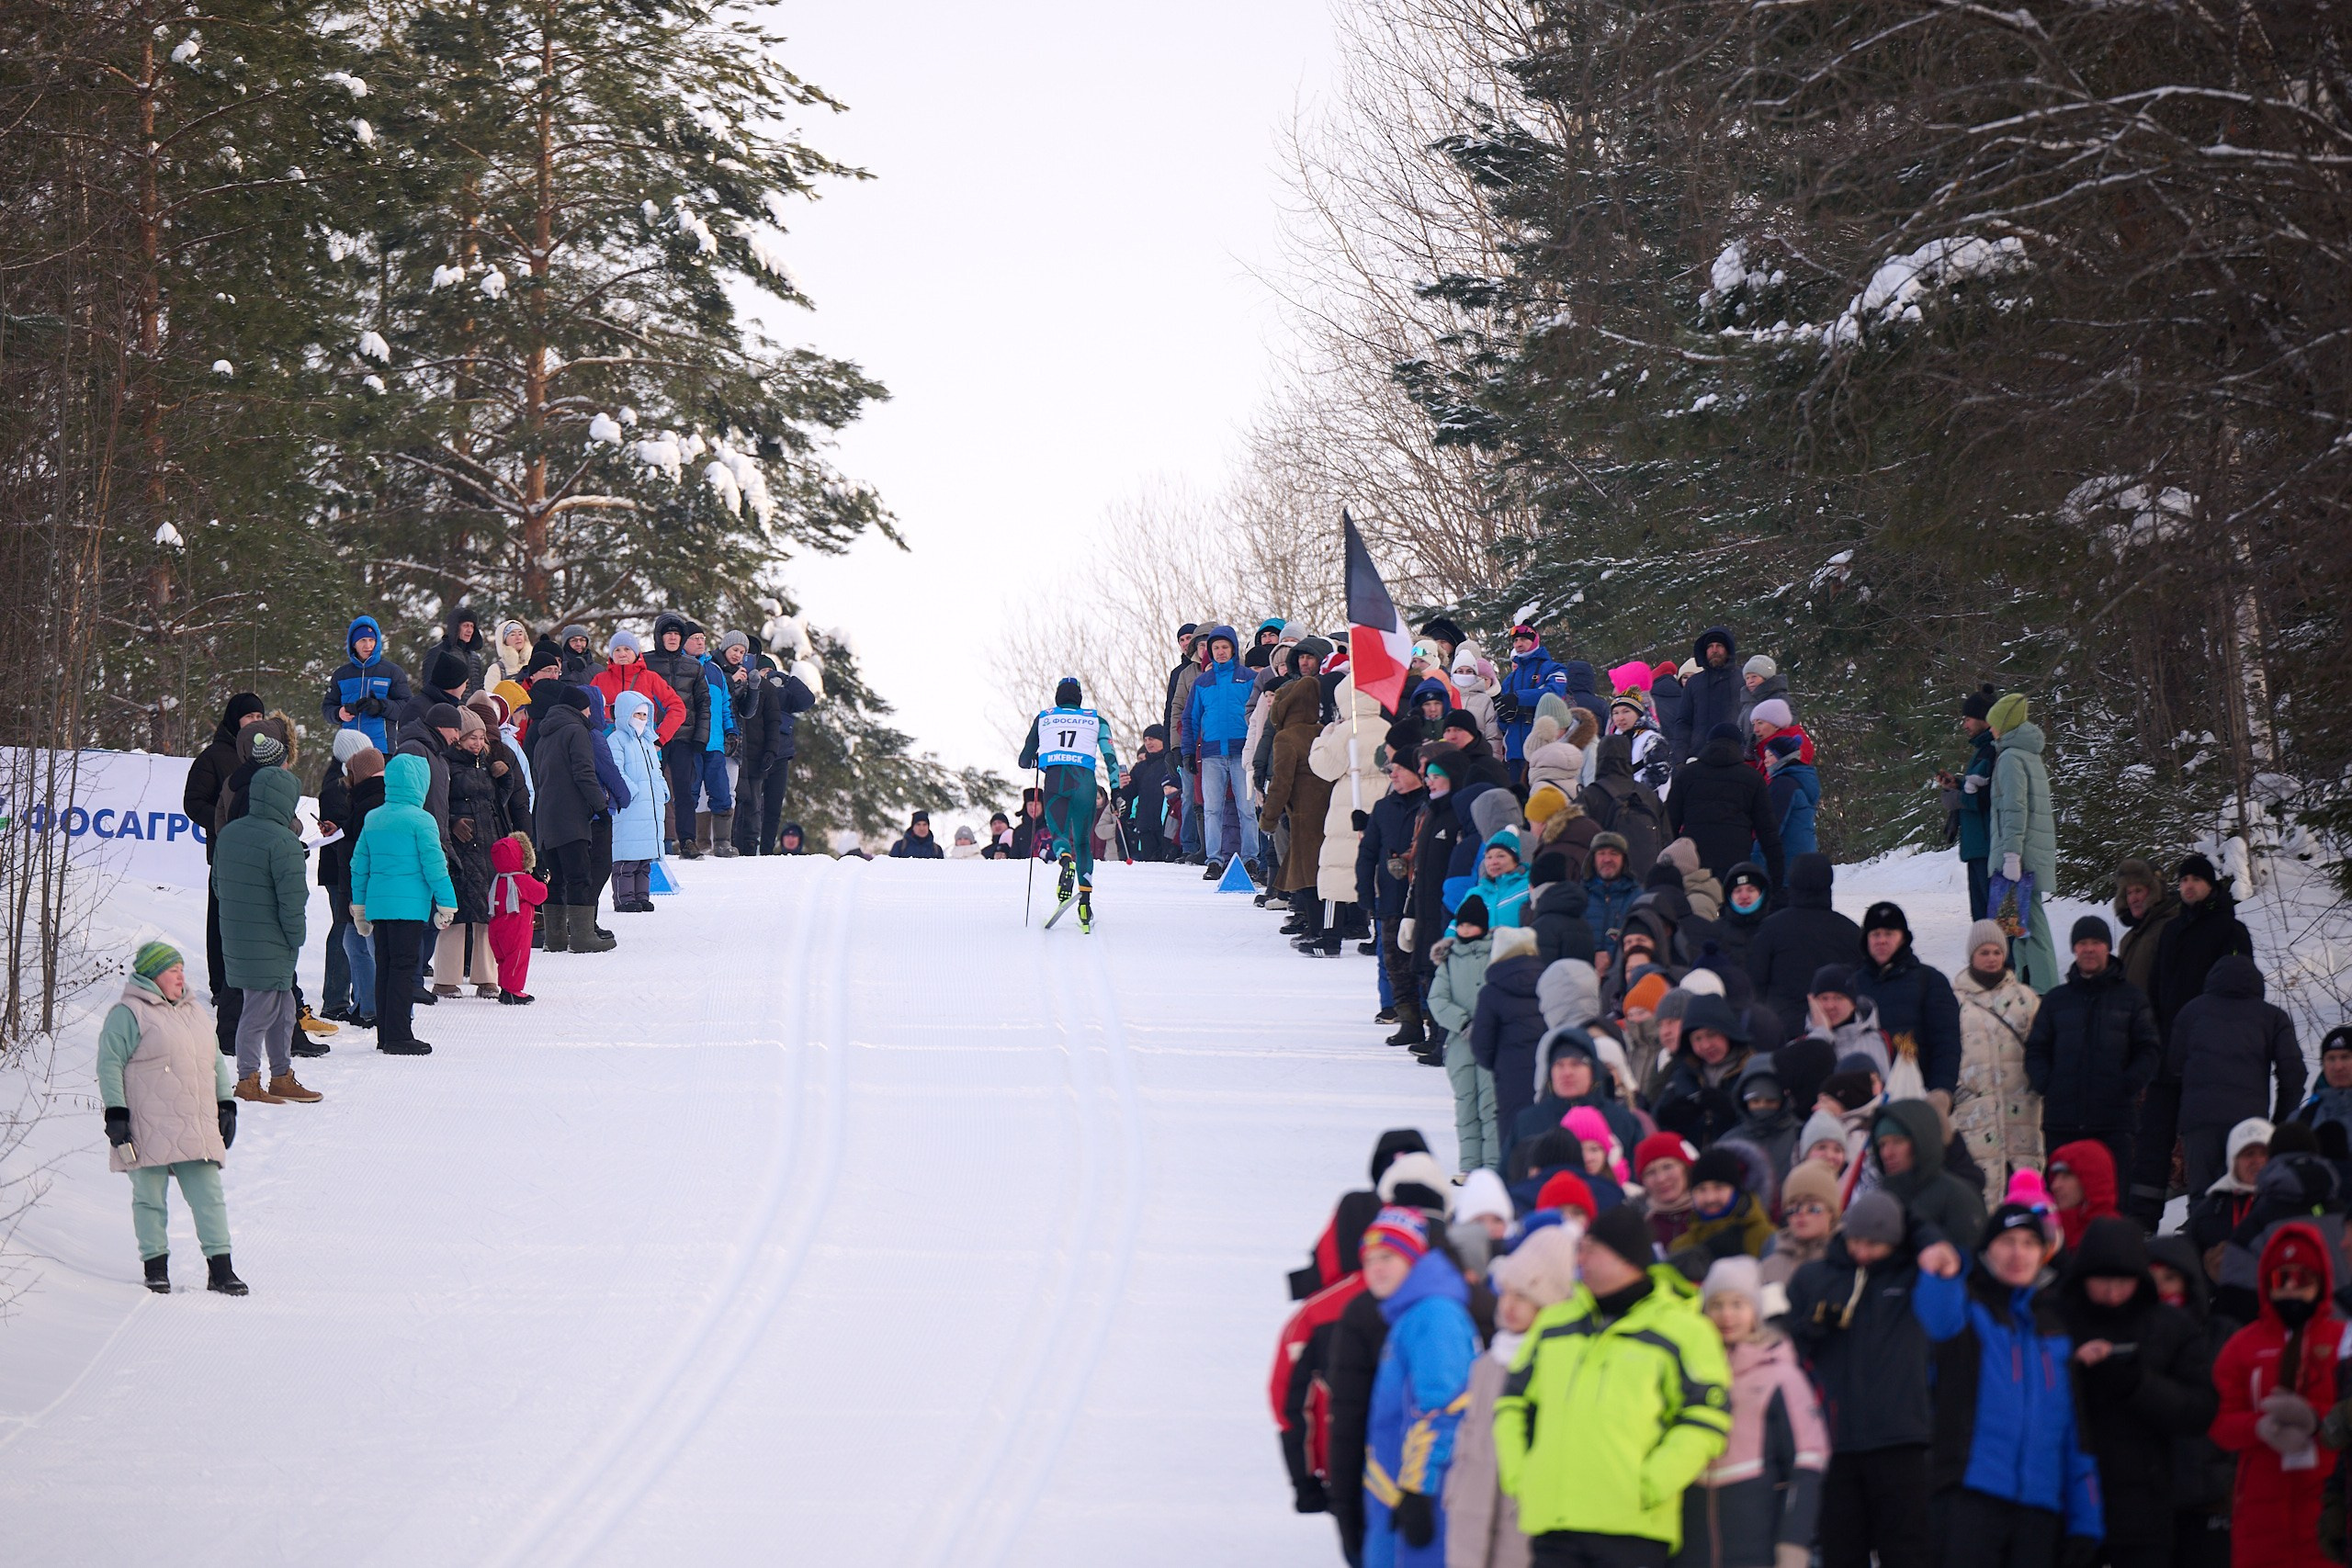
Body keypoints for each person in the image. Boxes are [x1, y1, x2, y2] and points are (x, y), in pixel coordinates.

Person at [1495, 1201, 1733, 1566]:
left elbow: (1706, 1417)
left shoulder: (1684, 1330)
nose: (1580, 1259)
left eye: (1591, 1249)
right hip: (1555, 1527)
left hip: (1632, 1530)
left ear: (1626, 1259)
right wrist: (1519, 1476)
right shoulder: (1555, 1322)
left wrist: (1650, 1483)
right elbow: (1512, 1404)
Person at [1915, 1202, 2104, 1564]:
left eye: (2030, 1243)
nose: (2019, 1253)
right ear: (1987, 1250)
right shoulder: (1967, 1311)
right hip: (1969, 1497)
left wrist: (2085, 1522)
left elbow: (2074, 1435)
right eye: (2007, 1241)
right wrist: (1947, 1269)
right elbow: (1935, 1317)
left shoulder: (2055, 1331)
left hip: (2039, 1510)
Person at [1784, 1191, 1962, 1568]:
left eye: (1874, 1244)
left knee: (1908, 1552)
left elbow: (1946, 1322)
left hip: (1901, 1440)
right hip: (1834, 1443)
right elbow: (1783, 1349)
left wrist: (1929, 1241)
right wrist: (1810, 1330)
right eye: (1856, 1241)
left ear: (1895, 1242)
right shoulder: (1814, 1276)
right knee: (1840, 1553)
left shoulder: (1912, 1275)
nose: (1862, 1252)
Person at [2052, 1216, 2219, 1568]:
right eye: (2102, 1281)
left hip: (2145, 1506)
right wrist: (2072, 1371)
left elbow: (2199, 1410)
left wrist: (2136, 1383)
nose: (2112, 1294)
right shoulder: (2054, 1320)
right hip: (2065, 1501)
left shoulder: (2171, 1326)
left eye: (2122, 1282)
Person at [98, 942, 247, 1296]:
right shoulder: (128, 1013)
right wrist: (116, 1113)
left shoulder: (194, 1011)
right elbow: (109, 1064)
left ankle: (221, 1270)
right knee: (149, 1198)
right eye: (172, 971)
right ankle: (155, 1269)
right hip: (146, 1123)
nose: (181, 977)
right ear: (152, 976)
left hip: (194, 1121)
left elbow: (214, 1060)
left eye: (181, 969)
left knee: (209, 1196)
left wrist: (225, 1104)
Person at [1676, 1256, 1826, 1568]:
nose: (1726, 1315)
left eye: (1738, 1304)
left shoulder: (1781, 1376)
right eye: (1716, 1305)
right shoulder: (1690, 1372)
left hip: (1757, 1541)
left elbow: (1807, 1461)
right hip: (1691, 1545)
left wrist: (1793, 1546)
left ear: (1755, 1311)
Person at [2132, 854, 2258, 1224]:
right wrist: (2153, 1035)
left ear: (2210, 885)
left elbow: (2244, 991)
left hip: (2212, 1055)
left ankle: (2209, 1220)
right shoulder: (2172, 930)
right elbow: (2155, 987)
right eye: (2184, 879)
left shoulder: (2230, 931)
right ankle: (2141, 1221)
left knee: (2205, 1140)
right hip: (2168, 1050)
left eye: (2196, 880)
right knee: (2154, 1137)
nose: (2188, 886)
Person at [2210, 1223, 2343, 1568]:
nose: (2291, 1289)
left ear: (2321, 1281)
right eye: (2281, 1278)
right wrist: (2258, 1427)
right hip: (2260, 1511)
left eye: (2302, 1279)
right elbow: (2218, 1419)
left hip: (2329, 1506)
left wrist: (2316, 1419)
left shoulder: (2342, 1340)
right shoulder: (2243, 1346)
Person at [1447, 1224, 1578, 1568]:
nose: (1508, 1305)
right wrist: (1455, 1490)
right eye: (1505, 1292)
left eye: (1523, 1296)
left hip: (1521, 1520)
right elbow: (1468, 1433)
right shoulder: (1488, 1362)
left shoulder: (1560, 1363)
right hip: (1471, 1513)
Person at [1358, 1207, 1479, 1568]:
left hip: (1424, 1500)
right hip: (1395, 1497)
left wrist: (1418, 1490)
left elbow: (1444, 1408)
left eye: (1388, 1257)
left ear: (1413, 1259)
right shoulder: (1412, 1314)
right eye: (1369, 1260)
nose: (1376, 1269)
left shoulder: (1434, 1316)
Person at [2025, 914, 2163, 1185]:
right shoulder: (2055, 1000)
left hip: (2113, 1123)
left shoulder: (2132, 998)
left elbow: (2149, 1049)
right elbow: (2036, 1049)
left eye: (2096, 942)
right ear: (2074, 949)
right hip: (2062, 1123)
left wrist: (2126, 1085)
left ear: (2107, 947)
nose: (2089, 949)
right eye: (2082, 943)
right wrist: (2048, 1084)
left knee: (2112, 1199)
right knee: (2063, 1199)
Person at [211, 767, 321, 1105]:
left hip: (238, 935)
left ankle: (281, 1076)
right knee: (258, 1012)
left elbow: (218, 885)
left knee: (285, 1009)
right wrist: (296, 935)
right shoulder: (283, 841)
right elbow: (293, 899)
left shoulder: (230, 833)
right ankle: (247, 1079)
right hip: (272, 939)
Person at [350, 752, 458, 1055]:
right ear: (420, 784)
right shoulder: (422, 820)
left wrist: (360, 907)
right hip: (409, 908)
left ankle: (385, 1033)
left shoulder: (374, 818)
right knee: (403, 968)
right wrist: (447, 903)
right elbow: (435, 866)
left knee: (385, 967)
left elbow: (359, 866)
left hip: (379, 906)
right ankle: (399, 1036)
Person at [2174, 955, 2302, 1201]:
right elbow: (2294, 1073)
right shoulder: (2272, 1017)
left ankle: (2203, 1225)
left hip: (2199, 1123)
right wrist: (2279, 1123)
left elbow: (2173, 1066)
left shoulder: (2191, 1012)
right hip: (2249, 1122)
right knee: (2250, 1193)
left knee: (2203, 1197)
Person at [1951, 919, 2042, 1208]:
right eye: (1984, 952)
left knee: (2024, 1191)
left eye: (1997, 952)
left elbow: (2041, 1048)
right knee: (1979, 1190)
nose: (1991, 958)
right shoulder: (1955, 1003)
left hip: (2022, 1110)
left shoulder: (2025, 999)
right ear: (1972, 955)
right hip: (1975, 1111)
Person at [1018, 676, 1119, 930]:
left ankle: (1065, 860)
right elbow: (1110, 757)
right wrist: (1117, 791)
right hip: (1084, 783)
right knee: (1083, 842)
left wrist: (1040, 760)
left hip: (1055, 781)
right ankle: (1085, 902)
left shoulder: (1045, 717)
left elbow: (1024, 761)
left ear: (1057, 697)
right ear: (1079, 698)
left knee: (1059, 833)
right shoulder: (1096, 719)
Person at [1849, 902, 1962, 1106]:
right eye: (1875, 934)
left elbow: (1946, 1044)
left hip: (1916, 1098)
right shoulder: (1852, 985)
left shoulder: (1931, 981)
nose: (1881, 940)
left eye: (1889, 934)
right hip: (1863, 1100)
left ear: (1903, 938)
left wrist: (1941, 1092)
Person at [1984, 692, 2060, 992]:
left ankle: (2044, 990)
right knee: (2017, 926)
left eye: (1994, 723)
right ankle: (2026, 985)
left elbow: (2015, 809)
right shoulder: (2028, 754)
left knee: (2031, 927)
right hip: (2028, 853)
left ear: (2005, 724)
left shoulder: (2010, 758)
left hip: (2020, 857)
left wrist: (2011, 856)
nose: (1991, 729)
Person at [529, 685, 613, 952]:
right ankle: (581, 937)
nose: (589, 714)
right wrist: (601, 807)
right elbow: (584, 773)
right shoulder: (577, 731)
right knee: (579, 877)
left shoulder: (544, 736)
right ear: (579, 709)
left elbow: (538, 778)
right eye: (587, 709)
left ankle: (555, 939)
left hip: (545, 818)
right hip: (571, 818)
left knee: (555, 879)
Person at [1746, 853, 1860, 1029]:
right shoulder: (1850, 931)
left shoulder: (1771, 928)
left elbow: (1756, 983)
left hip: (1784, 1029)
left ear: (1792, 881)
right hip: (1839, 1028)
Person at [434, 710, 503, 999]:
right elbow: (438, 804)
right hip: (460, 845)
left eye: (480, 737)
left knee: (486, 912)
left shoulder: (485, 764)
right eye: (471, 737)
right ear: (459, 738)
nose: (477, 743)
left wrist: (505, 778)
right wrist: (452, 823)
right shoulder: (446, 764)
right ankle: (445, 978)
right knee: (457, 911)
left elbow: (499, 805)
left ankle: (487, 977)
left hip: (486, 844)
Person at [1182, 624, 1262, 875]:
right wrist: (1187, 751)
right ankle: (1214, 860)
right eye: (1215, 648)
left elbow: (1260, 715)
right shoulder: (1202, 683)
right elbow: (1190, 719)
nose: (1220, 652)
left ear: (1233, 649)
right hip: (1212, 755)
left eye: (1225, 647)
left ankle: (1251, 859)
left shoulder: (1249, 678)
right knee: (1212, 809)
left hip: (1242, 752)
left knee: (1247, 809)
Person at [1667, 727, 1784, 892]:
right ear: (1739, 745)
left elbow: (1669, 822)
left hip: (1693, 856)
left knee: (1697, 902)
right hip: (1736, 857)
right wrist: (1777, 877)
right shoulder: (1752, 778)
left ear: (1708, 743)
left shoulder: (1687, 774)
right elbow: (1767, 830)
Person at [1430, 896, 1499, 1171]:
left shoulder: (1498, 956)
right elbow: (1438, 1000)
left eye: (1471, 925)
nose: (1465, 930)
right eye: (1461, 925)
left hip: (1493, 1041)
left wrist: (1489, 1023)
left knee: (1491, 1104)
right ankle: (1470, 1165)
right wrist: (1462, 1023)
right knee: (1466, 1104)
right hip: (1461, 1043)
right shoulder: (1449, 960)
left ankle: (1492, 1166)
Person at [1472, 927, 1550, 1162]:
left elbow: (1481, 1044)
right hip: (1549, 1073)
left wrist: (1498, 1064)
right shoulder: (1549, 983)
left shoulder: (1491, 992)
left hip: (1510, 1075)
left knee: (1513, 1142)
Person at [1868, 1099, 1988, 1251]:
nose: (1887, 1153)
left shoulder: (1958, 1197)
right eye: (1882, 1145)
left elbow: (1971, 1258)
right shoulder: (1881, 1197)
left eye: (1898, 1142)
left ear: (1922, 1141)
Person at [605, 691, 670, 913]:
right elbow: (616, 771)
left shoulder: (648, 741)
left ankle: (642, 896)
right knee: (627, 858)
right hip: (630, 807)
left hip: (650, 807)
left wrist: (662, 790)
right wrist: (631, 792)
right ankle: (624, 899)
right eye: (637, 714)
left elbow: (656, 770)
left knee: (644, 860)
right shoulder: (617, 740)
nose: (642, 719)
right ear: (625, 714)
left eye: (645, 715)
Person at [1939, 684, 1998, 919]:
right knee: (1984, 921)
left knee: (1997, 922)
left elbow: (1990, 796)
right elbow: (1978, 788)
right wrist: (1958, 784)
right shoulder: (1982, 750)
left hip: (1989, 848)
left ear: (1984, 718)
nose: (1964, 725)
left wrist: (1959, 799)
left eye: (1968, 719)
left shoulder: (1994, 751)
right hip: (1978, 846)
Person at [322, 613, 413, 753]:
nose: (368, 645)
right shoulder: (341, 675)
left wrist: (381, 706)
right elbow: (327, 708)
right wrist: (339, 713)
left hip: (381, 749)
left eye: (372, 640)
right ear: (353, 644)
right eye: (362, 640)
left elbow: (408, 709)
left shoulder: (392, 672)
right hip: (349, 751)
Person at [1495, 625, 1570, 784]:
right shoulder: (1510, 679)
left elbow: (1554, 693)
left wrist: (1519, 698)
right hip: (1514, 754)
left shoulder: (1553, 669)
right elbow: (1501, 721)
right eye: (1515, 640)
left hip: (1543, 750)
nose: (1518, 644)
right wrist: (1503, 716)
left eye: (1523, 639)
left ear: (1535, 640)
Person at [1747, 699, 1819, 862]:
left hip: (1786, 847)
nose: (1755, 730)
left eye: (1760, 723)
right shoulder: (1770, 753)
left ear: (1776, 724)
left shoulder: (1785, 756)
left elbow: (1767, 795)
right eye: (1753, 724)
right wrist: (1749, 760)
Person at [487, 833, 547, 1005]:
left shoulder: (498, 879)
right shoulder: (521, 879)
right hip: (516, 927)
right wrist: (543, 883)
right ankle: (513, 991)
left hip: (497, 926)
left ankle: (505, 989)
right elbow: (540, 895)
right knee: (517, 958)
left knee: (503, 959)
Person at [1674, 628, 1745, 766]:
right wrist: (1680, 758)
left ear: (1728, 649)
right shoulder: (1694, 683)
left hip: (1737, 756)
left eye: (1719, 646)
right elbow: (1684, 722)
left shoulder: (1742, 679)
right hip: (1701, 756)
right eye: (1710, 647)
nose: (1714, 650)